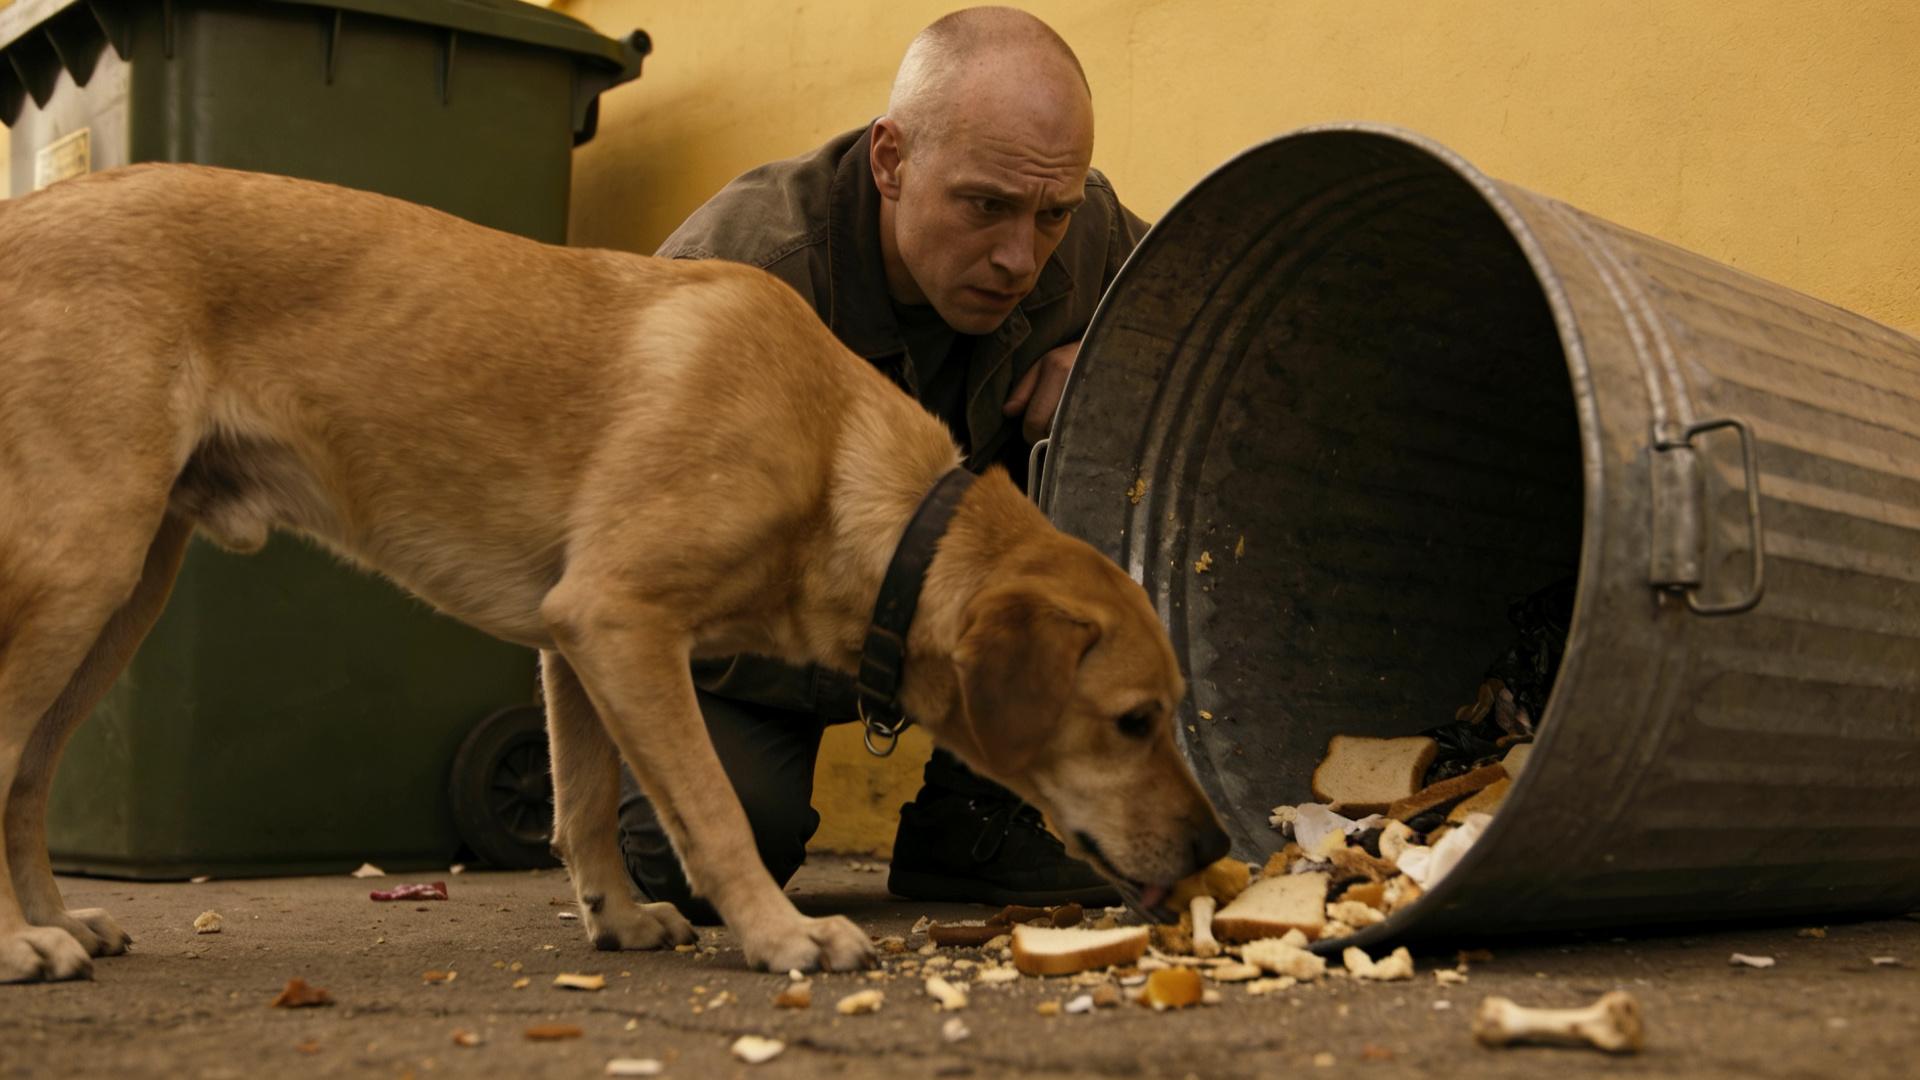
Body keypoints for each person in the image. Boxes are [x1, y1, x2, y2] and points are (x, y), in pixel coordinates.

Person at [617, 6, 1150, 923]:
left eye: (1051, 215)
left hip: (935, 649)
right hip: (736, 656)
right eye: (985, 207)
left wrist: (1117, 371)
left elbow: (1219, 354)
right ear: (891, 161)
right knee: (697, 866)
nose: (1021, 257)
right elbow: (619, 566)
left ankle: (972, 820)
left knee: (1129, 441)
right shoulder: (737, 282)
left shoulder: (1085, 228)